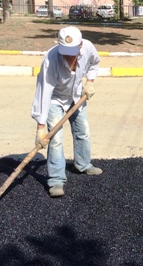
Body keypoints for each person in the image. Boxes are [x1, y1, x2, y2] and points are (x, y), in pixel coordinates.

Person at [31, 26, 102, 198]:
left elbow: (94, 63)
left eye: (72, 50)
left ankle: (83, 164)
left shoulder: (88, 48)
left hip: (77, 96)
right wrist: (41, 128)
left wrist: (89, 83)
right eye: (65, 51)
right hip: (55, 99)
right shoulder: (51, 59)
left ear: (80, 45)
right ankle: (56, 180)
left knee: (82, 131)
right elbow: (44, 92)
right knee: (55, 138)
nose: (69, 54)